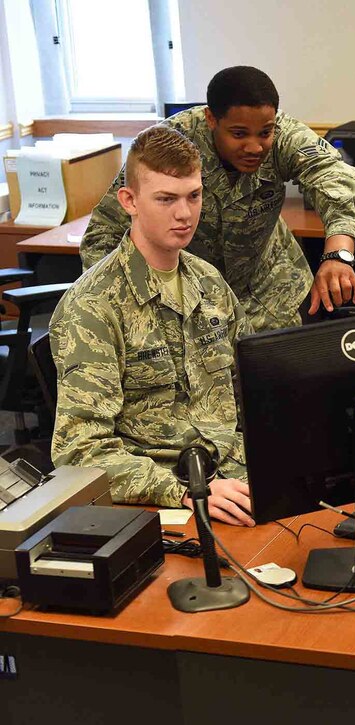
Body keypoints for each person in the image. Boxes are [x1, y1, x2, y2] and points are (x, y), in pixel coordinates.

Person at [51, 125, 255, 527]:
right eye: (165, 199)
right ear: (129, 201)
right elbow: (79, 450)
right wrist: (184, 491)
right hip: (159, 495)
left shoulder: (209, 282)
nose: (184, 214)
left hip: (236, 475)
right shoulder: (93, 306)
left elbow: (252, 388)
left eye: (193, 196)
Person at [81, 66, 355, 332]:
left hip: (272, 294)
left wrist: (338, 254)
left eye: (264, 133)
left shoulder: (283, 135)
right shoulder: (167, 145)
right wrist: (118, 309)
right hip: (190, 304)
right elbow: (105, 231)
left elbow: (342, 183)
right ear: (211, 119)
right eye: (238, 133)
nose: (254, 146)